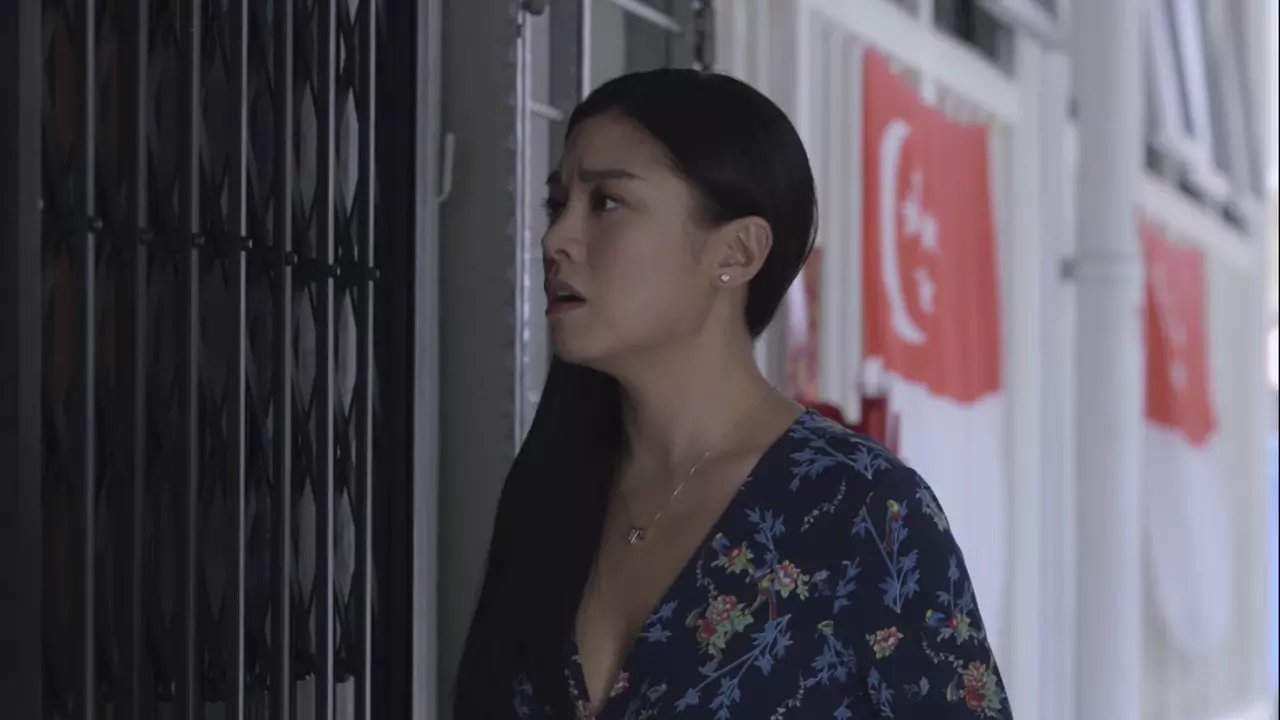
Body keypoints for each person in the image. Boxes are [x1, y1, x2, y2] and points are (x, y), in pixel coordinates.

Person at [453, 69, 1011, 719]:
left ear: (738, 252)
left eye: (606, 203)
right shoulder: (550, 491)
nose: (556, 240)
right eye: (558, 205)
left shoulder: (863, 512)